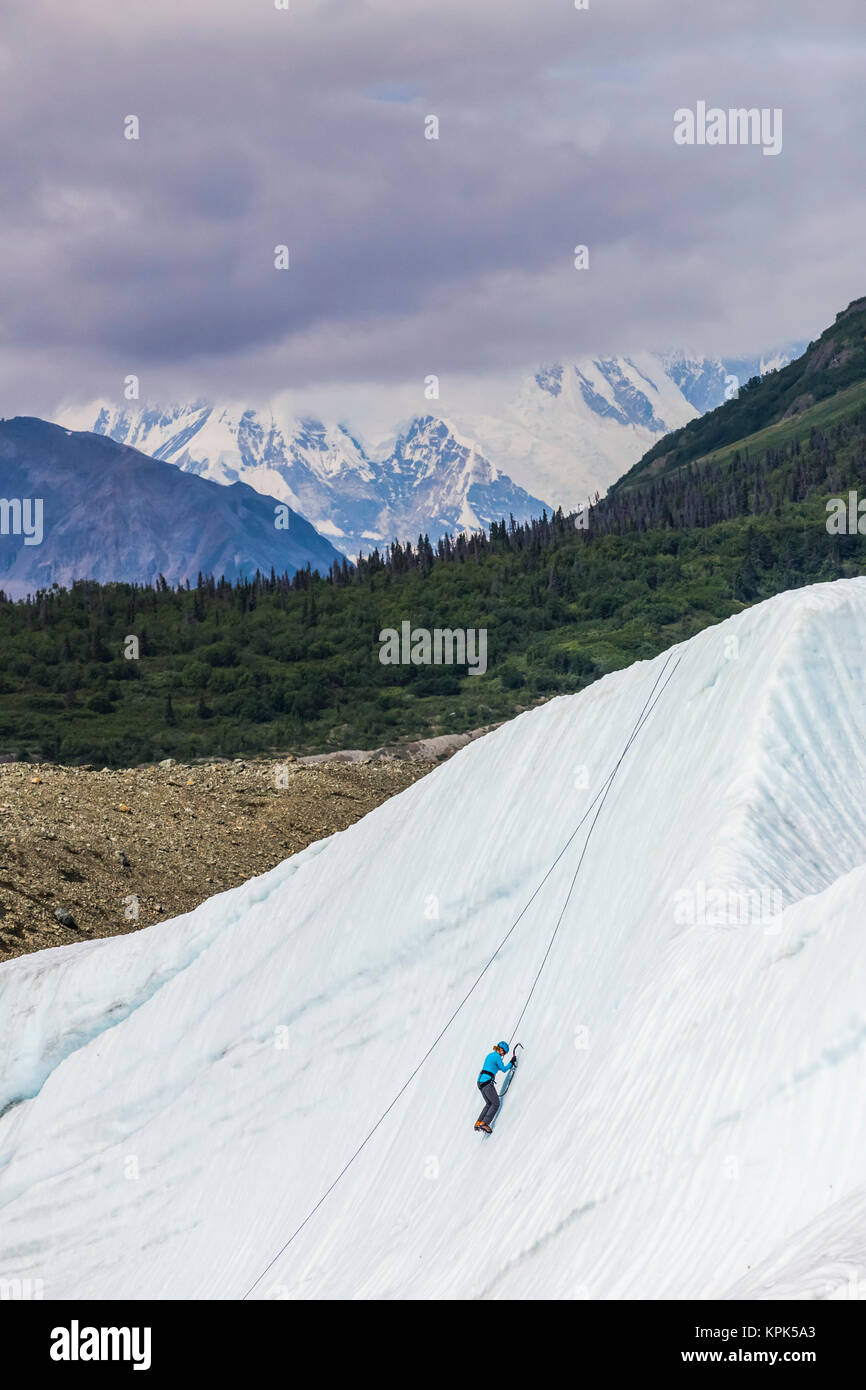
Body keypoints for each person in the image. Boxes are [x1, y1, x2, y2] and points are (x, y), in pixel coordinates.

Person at [474, 1040, 515, 1132]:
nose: (503, 1054)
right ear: (501, 1050)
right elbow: (504, 1069)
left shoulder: (490, 1055)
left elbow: (492, 1067)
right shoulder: (497, 1057)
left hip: (480, 1082)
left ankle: (478, 1122)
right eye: (504, 1052)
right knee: (496, 1103)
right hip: (487, 1082)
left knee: (489, 1103)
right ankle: (484, 1123)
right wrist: (512, 1062)